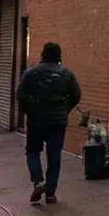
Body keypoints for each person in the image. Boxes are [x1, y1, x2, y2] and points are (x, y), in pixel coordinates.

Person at [18, 42, 82, 205]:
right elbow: (76, 95)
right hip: (57, 121)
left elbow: (20, 94)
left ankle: (38, 181)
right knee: (54, 156)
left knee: (32, 151)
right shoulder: (66, 74)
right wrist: (64, 110)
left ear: (42, 54)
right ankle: (50, 193)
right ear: (59, 56)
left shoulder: (31, 73)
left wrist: (29, 110)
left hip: (36, 119)